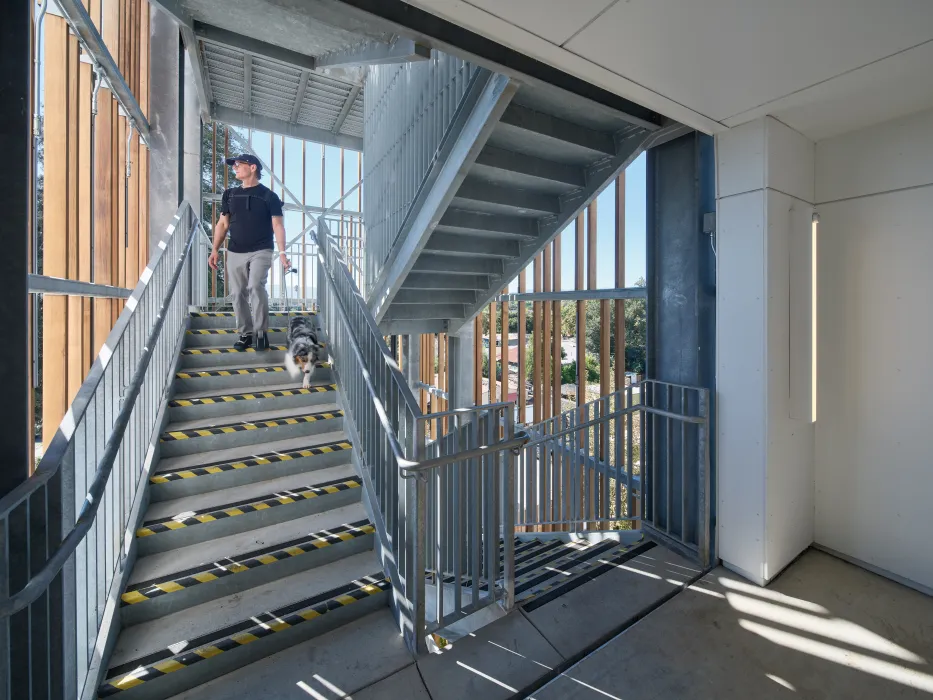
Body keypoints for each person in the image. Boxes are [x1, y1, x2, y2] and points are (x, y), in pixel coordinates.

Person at [208, 154, 291, 351]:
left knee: (255, 286)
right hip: (236, 250)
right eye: (233, 165)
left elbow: (278, 225)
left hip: (261, 249)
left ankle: (261, 333)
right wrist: (214, 249)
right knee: (237, 293)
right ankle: (245, 333)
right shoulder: (229, 195)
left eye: (238, 164)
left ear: (252, 167)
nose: (235, 168)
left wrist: (282, 253)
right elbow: (223, 223)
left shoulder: (269, 196)